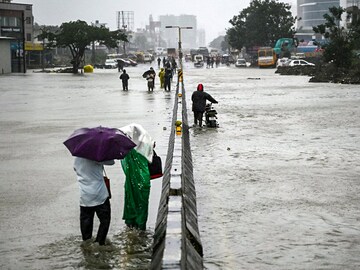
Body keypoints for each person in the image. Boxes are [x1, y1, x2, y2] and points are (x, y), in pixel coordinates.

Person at [119, 124, 155, 230]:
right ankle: (141, 227)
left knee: (131, 200)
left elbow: (122, 163)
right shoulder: (145, 145)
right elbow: (151, 156)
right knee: (142, 204)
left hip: (131, 181)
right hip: (143, 180)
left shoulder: (128, 150)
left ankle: (131, 225)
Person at [73, 157, 115, 245]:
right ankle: (100, 242)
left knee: (86, 221)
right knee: (105, 220)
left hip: (85, 197)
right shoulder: (98, 157)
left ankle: (86, 243)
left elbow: (75, 169)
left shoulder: (77, 159)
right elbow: (111, 162)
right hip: (100, 195)